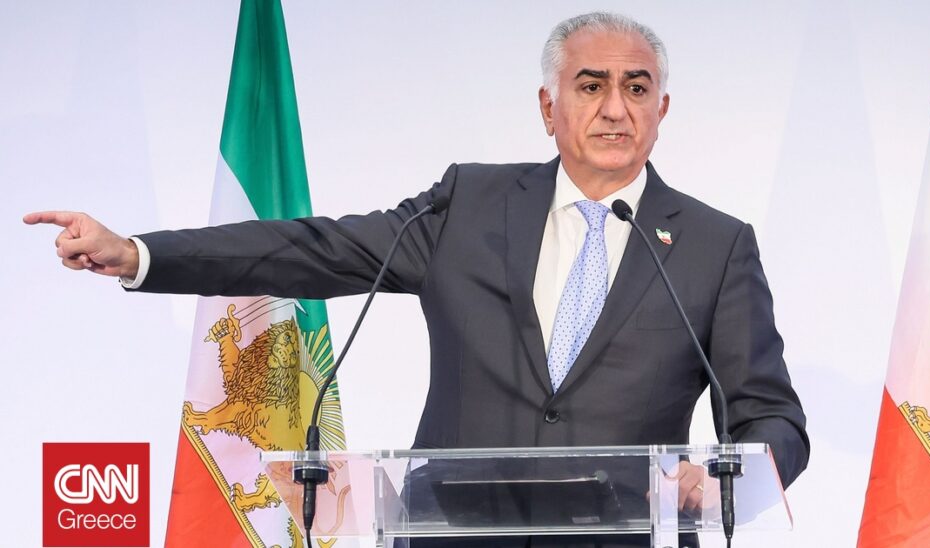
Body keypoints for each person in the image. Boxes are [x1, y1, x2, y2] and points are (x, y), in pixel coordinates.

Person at [25, 12, 807, 547]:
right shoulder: (470, 206)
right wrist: (140, 254)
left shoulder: (714, 246)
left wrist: (720, 479)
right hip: (452, 536)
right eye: (590, 85)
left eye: (636, 88)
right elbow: (315, 250)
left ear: (662, 109)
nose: (614, 109)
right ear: (548, 107)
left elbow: (773, 418)